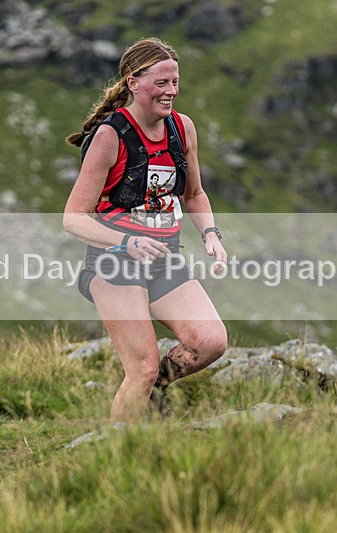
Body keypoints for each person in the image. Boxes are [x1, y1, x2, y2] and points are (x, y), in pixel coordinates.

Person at [63, 37, 228, 421]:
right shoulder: (110, 137)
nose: (171, 91)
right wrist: (127, 240)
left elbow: (195, 194)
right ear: (133, 83)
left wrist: (211, 236)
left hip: (163, 259)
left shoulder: (182, 129)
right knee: (142, 367)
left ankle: (150, 397)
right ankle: (119, 454)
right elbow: (73, 217)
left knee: (210, 342)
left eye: (175, 82)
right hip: (113, 262)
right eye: (161, 83)